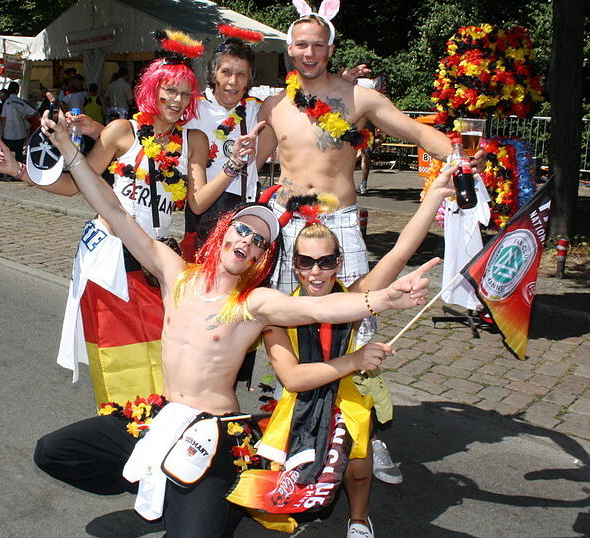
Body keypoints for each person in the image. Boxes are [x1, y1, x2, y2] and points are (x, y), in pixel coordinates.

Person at [16, 107, 438, 537]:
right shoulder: (174, 272)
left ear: (260, 258)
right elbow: (115, 211)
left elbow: (318, 310)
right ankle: (149, 477)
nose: (249, 241)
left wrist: (381, 299)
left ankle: (225, 494)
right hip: (159, 417)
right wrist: (70, 152)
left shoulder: (253, 303)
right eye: (243, 231)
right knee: (53, 451)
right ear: (225, 233)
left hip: (211, 432)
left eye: (259, 242)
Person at [0, 44, 248, 409]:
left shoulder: (194, 140)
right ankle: (123, 427)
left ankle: (160, 425)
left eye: (185, 93)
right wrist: (19, 171)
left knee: (163, 349)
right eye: (170, 90)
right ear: (152, 90)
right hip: (111, 257)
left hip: (158, 260)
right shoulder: (122, 131)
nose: (178, 100)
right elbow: (77, 182)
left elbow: (198, 202)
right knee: (119, 357)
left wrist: (233, 165)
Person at [249, 166, 457, 537]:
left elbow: (399, 251)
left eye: (327, 262)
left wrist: (436, 196)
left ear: (338, 264)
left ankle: (359, 520)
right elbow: (293, 379)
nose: (317, 272)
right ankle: (303, 502)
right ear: (294, 265)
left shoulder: (354, 296)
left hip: (345, 390)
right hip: (302, 395)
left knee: (357, 461)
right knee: (294, 464)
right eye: (306, 262)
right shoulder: (276, 314)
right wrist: (356, 360)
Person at [256, 3, 457, 295]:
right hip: (287, 222)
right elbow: (249, 163)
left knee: (353, 311)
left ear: (331, 49)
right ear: (290, 49)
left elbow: (416, 132)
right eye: (301, 45)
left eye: (317, 45)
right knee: (283, 315)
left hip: (339, 220)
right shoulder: (274, 106)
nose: (309, 53)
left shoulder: (360, 99)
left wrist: (458, 156)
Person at [181, 27, 264, 259]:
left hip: (241, 210)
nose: (232, 81)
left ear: (249, 80)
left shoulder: (255, 108)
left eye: (241, 75)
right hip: (202, 211)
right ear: (214, 73)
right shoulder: (191, 109)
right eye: (226, 72)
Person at [0, 81, 37, 166]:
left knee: (8, 153)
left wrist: (2, 132)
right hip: (20, 131)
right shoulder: (21, 102)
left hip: (8, 132)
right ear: (17, 91)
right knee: (19, 153)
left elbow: (3, 118)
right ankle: (19, 171)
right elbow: (33, 111)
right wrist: (24, 117)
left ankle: (9, 171)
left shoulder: (6, 102)